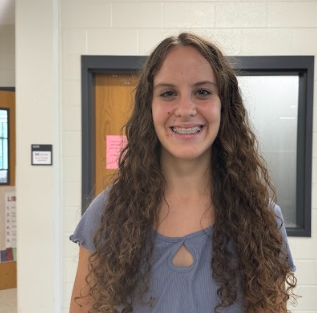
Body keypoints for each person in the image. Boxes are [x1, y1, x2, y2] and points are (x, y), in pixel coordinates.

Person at [70, 33, 297, 313]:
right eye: (168, 93)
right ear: (148, 108)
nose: (185, 110)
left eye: (202, 92)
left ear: (224, 106)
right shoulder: (107, 214)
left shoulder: (261, 218)